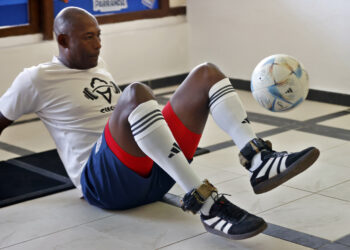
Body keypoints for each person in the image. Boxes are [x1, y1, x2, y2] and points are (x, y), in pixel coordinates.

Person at [0, 7, 319, 240]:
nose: (98, 44)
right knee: (136, 93)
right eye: (88, 37)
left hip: (155, 174)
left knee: (206, 73)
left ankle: (258, 159)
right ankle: (207, 203)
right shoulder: (36, 78)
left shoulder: (99, 67)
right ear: (62, 40)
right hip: (104, 187)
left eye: (99, 35)